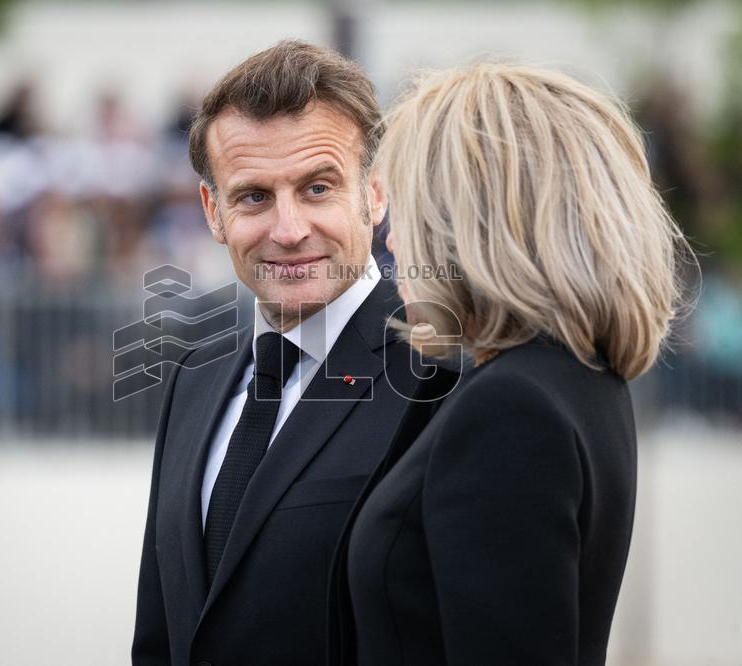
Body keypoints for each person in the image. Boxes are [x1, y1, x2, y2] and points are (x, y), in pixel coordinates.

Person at [328, 64, 692, 665]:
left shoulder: (512, 408)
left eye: (407, 211)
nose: (388, 240)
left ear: (470, 221)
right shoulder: (573, 380)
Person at [132, 41, 456, 666]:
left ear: (375, 195)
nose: (288, 230)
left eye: (317, 188)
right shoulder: (193, 381)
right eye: (254, 196)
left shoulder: (441, 377)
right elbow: (162, 634)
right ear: (213, 212)